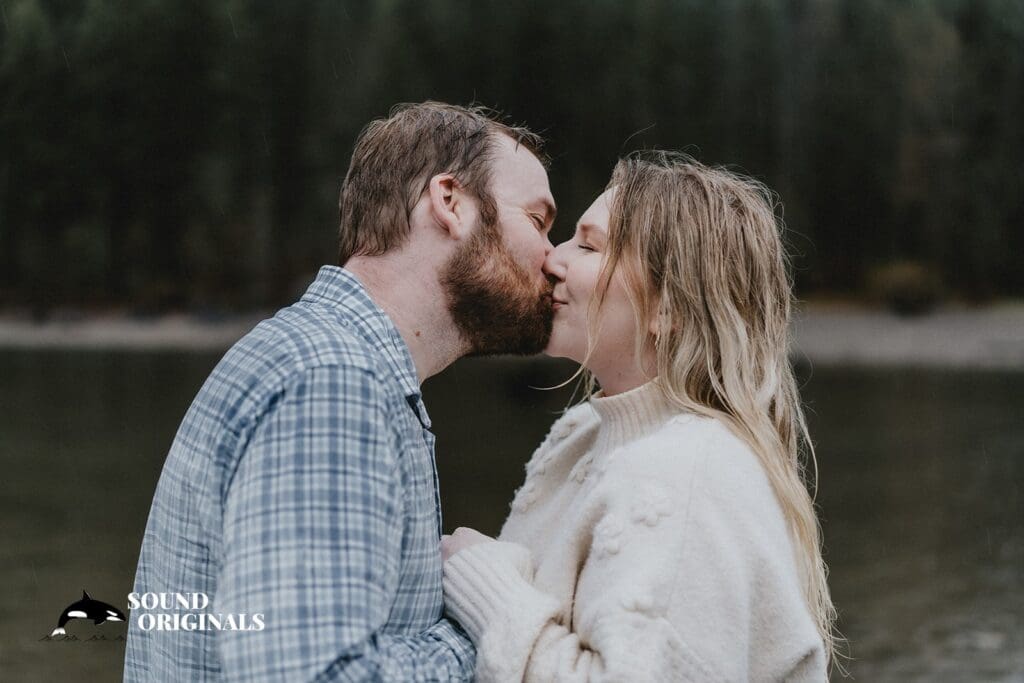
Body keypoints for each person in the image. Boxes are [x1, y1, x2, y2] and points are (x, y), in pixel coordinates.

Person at [124, 101, 558, 681]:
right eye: (538, 221)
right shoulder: (334, 382)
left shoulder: (325, 359)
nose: (554, 261)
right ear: (450, 203)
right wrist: (482, 624)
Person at [441, 152, 838, 682]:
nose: (552, 260)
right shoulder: (581, 434)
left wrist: (490, 592)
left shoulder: (691, 471)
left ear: (667, 306)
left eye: (588, 245)